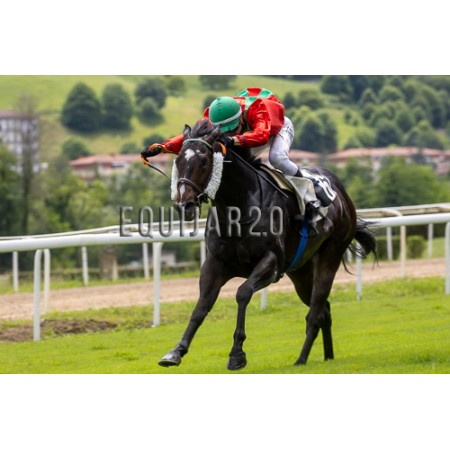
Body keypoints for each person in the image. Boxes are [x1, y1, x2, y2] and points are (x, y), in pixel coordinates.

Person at [141, 87, 322, 217]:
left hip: (274, 130)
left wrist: (233, 140)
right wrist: (163, 147)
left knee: (277, 158)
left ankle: (311, 192)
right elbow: (193, 139)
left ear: (241, 119)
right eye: (225, 132)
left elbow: (261, 135)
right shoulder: (213, 117)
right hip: (249, 134)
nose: (229, 134)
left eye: (233, 129)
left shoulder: (258, 110)